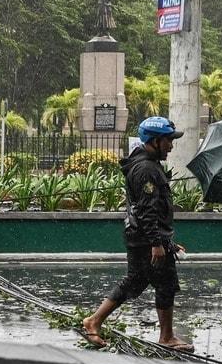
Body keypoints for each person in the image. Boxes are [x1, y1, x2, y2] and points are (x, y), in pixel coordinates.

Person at [81, 116, 193, 351]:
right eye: (168, 141)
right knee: (162, 283)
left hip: (144, 237)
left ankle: (95, 321)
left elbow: (150, 210)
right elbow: (147, 210)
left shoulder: (148, 164)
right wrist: (156, 243)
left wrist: (167, 242)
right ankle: (165, 337)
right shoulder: (146, 169)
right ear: (154, 141)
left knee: (145, 281)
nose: (171, 146)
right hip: (145, 239)